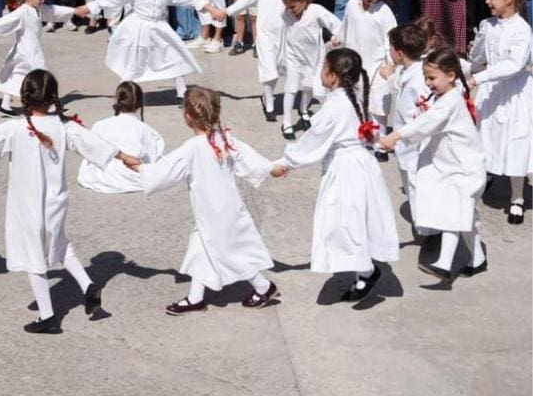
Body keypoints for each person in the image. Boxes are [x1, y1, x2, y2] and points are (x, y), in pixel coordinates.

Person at [0, 70, 122, 333]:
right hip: (56, 202)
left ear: (25, 96)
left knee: (34, 255)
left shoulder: (13, 128)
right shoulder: (65, 126)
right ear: (53, 97)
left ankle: (48, 317)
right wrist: (125, 157)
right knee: (60, 244)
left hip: (27, 205)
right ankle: (87, 284)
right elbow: (97, 145)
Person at [133, 86, 279, 315]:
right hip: (225, 208)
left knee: (228, 252)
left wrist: (140, 167)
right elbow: (248, 158)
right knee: (200, 247)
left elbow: (165, 171)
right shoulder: (224, 138)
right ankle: (195, 298)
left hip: (213, 212)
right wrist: (270, 168)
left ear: (188, 116)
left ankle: (264, 286)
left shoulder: (192, 147)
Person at [271, 48, 399, 302]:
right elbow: (366, 129)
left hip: (347, 169)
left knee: (344, 222)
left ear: (332, 76)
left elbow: (312, 141)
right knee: (355, 220)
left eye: (323, 68)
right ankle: (364, 271)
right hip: (362, 164)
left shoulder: (335, 108)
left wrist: (285, 163)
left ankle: (367, 271)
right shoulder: (353, 97)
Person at [377, 49, 487, 279]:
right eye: (426, 78)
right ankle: (478, 259)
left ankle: (444, 265)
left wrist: (395, 136)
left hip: (464, 169)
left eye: (432, 78)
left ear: (450, 75)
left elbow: (426, 123)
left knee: (452, 214)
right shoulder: (444, 96)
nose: (428, 83)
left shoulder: (451, 101)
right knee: (466, 216)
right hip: (451, 167)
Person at [76, 0, 228, 100]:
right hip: (139, 28)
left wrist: (213, 10)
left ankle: (182, 93)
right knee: (134, 63)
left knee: (176, 57)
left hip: (159, 26)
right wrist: (91, 7)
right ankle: (122, 96)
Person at [469, 0, 532, 224]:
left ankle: (517, 197)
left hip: (513, 93)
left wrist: (481, 76)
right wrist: (470, 66)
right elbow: (478, 55)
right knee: (485, 135)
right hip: (490, 90)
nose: (487, 1)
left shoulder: (522, 29)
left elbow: (515, 64)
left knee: (515, 140)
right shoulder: (488, 24)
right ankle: (486, 176)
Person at [0, 0, 77, 115]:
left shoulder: (38, 8)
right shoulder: (22, 12)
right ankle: (51, 105)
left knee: (16, 75)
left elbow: (53, 11)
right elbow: (7, 21)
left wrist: (73, 11)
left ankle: (5, 105)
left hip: (25, 50)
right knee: (42, 77)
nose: (43, 2)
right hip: (29, 51)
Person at [379, 22, 433, 235]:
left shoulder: (418, 79)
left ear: (399, 53)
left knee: (416, 186)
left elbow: (423, 112)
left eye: (391, 47)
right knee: (411, 184)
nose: (389, 51)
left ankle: (428, 233)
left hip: (415, 146)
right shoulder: (410, 71)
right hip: (406, 144)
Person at [76, 81, 165, 195]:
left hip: (103, 176)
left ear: (116, 101)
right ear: (139, 104)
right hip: (132, 177)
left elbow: (90, 152)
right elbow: (153, 158)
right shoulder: (146, 130)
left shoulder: (100, 125)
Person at [339, 0, 398, 138]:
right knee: (356, 99)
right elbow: (345, 27)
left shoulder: (384, 12)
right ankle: (362, 135)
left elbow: (391, 40)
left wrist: (391, 63)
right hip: (354, 64)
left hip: (378, 66)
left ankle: (380, 140)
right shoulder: (351, 5)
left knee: (379, 103)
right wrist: (337, 39)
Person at [278, 0, 342, 138]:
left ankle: (304, 110)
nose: (291, 11)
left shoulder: (316, 11)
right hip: (294, 56)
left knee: (310, 87)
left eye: (293, 7)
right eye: (287, 7)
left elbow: (335, 24)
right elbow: (283, 33)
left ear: (304, 0)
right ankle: (287, 122)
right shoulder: (285, 14)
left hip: (313, 57)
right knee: (291, 87)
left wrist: (335, 37)